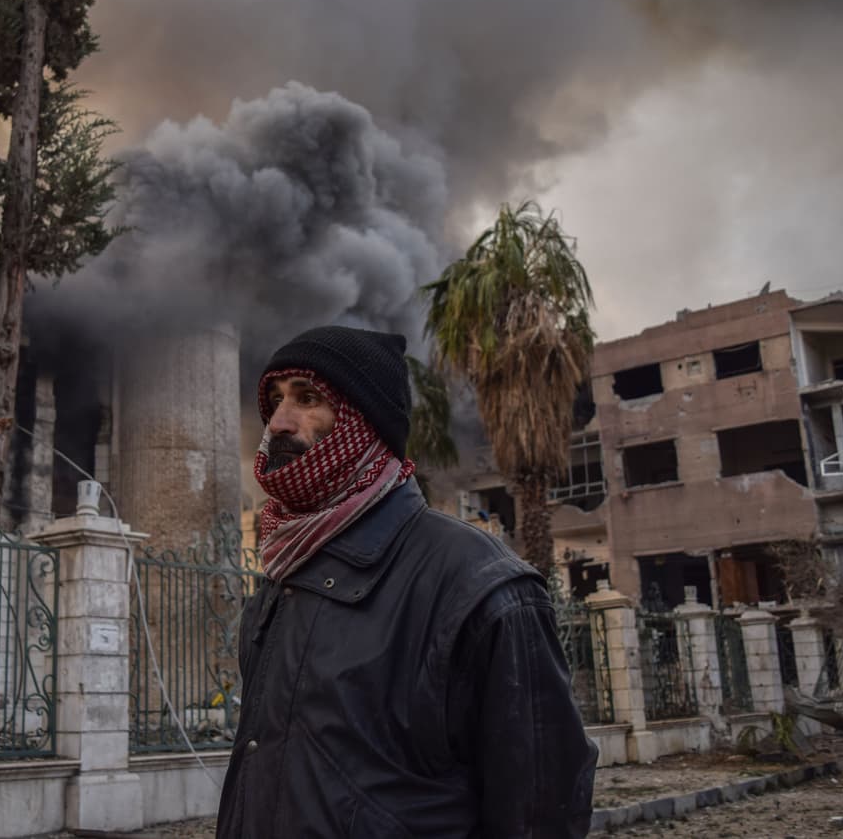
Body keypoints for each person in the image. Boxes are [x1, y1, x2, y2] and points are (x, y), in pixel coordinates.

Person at [216, 325, 597, 839]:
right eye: (275, 402)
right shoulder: (281, 579)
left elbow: (539, 810)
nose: (279, 423)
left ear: (365, 421)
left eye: (308, 399)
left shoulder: (478, 584)